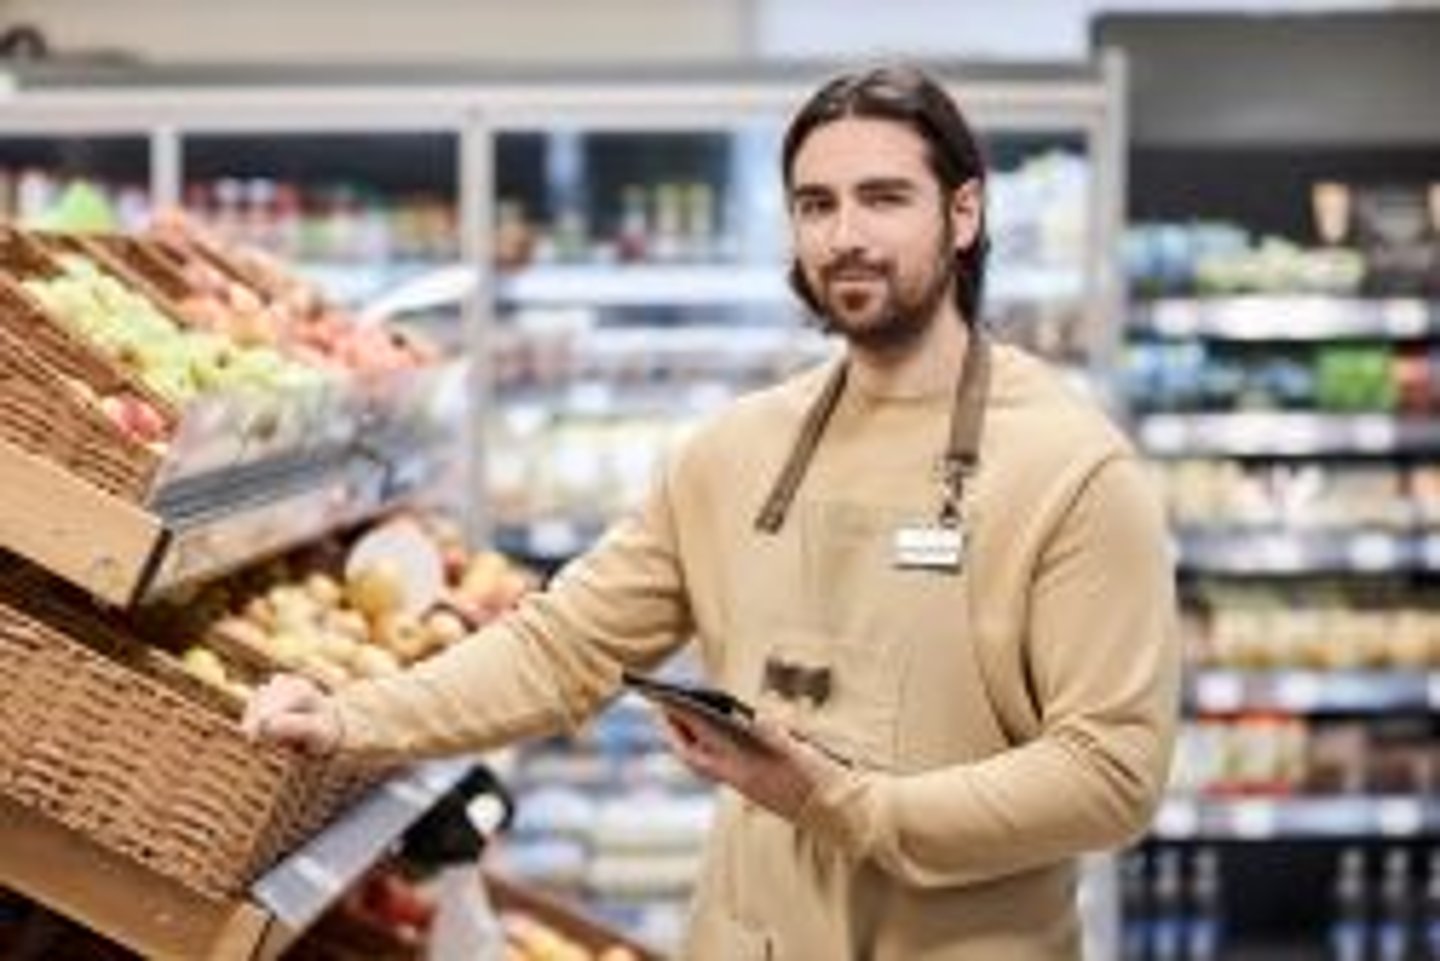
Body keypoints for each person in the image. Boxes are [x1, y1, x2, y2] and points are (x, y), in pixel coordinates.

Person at [244, 64, 1180, 960]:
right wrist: (349, 716)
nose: (845, 234)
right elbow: (562, 648)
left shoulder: (1071, 468)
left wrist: (844, 804)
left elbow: (1111, 773)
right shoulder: (735, 452)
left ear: (964, 212)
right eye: (817, 205)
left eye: (884, 198)